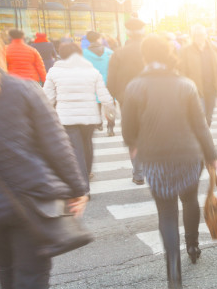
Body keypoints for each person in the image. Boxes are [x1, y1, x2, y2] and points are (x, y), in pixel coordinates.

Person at [0, 37, 89, 289]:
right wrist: (78, 187)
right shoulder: (21, 90)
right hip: (31, 205)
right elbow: (56, 143)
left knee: (9, 282)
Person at [121, 35, 217, 289]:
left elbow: (128, 128)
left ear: (145, 56)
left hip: (155, 157)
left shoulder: (135, 86)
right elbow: (200, 125)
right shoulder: (185, 85)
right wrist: (211, 154)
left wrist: (133, 144)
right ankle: (193, 246)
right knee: (189, 200)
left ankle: (173, 270)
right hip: (189, 154)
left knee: (166, 213)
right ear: (169, 54)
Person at [43, 43, 115, 187]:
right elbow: (104, 95)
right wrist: (110, 111)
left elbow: (47, 98)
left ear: (61, 55)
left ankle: (83, 185)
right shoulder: (92, 71)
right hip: (89, 116)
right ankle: (87, 173)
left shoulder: (54, 71)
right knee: (87, 145)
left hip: (66, 117)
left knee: (76, 149)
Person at [107, 18, 147, 185]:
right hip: (152, 98)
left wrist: (120, 97)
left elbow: (111, 82)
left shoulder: (119, 53)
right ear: (143, 32)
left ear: (128, 33)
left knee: (133, 135)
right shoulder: (152, 51)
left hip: (128, 101)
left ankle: (138, 173)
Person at [178, 24, 217, 126]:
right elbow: (182, 70)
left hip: (212, 89)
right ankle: (202, 139)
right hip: (196, 90)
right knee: (201, 116)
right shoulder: (185, 50)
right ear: (193, 36)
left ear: (206, 35)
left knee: (209, 116)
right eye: (197, 35)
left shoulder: (215, 48)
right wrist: (186, 86)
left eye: (202, 34)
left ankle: (204, 135)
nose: (200, 37)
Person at [82, 31, 115, 135]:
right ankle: (110, 127)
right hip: (108, 82)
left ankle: (98, 123)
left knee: (96, 103)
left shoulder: (83, 54)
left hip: (92, 82)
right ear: (98, 39)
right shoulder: (108, 52)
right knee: (109, 105)